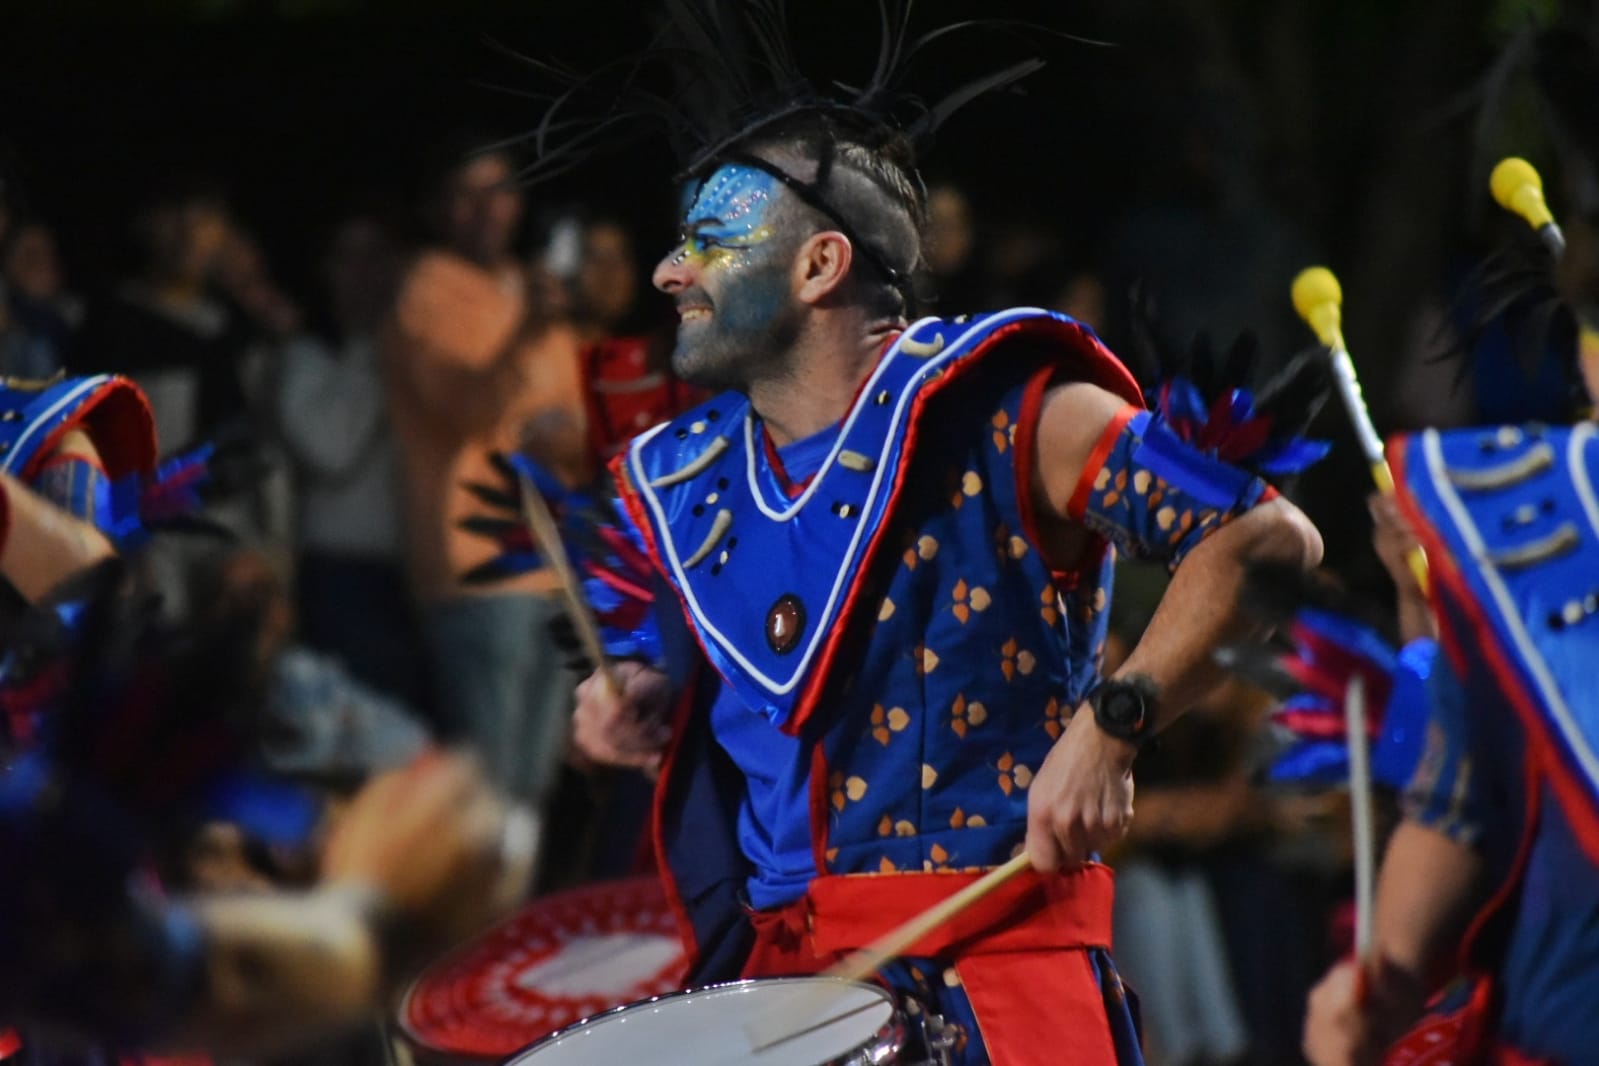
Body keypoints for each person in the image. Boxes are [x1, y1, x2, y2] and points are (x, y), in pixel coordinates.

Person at [544, 8, 1321, 1062]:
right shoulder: (689, 480)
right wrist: (633, 698)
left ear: (820, 265)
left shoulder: (1008, 411)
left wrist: (1115, 724)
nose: (668, 273)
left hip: (999, 989)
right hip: (786, 1005)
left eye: (709, 242)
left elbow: (1263, 537)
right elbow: (716, 689)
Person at [380, 136, 587, 801]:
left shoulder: (531, 289)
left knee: (531, 788)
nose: (485, 208)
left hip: (552, 563)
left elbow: (573, 416)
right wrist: (528, 331)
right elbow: (466, 409)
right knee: (488, 786)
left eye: (497, 191)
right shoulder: (425, 288)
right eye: (464, 195)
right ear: (436, 210)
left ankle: (515, 877)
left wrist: (569, 441)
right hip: (476, 566)